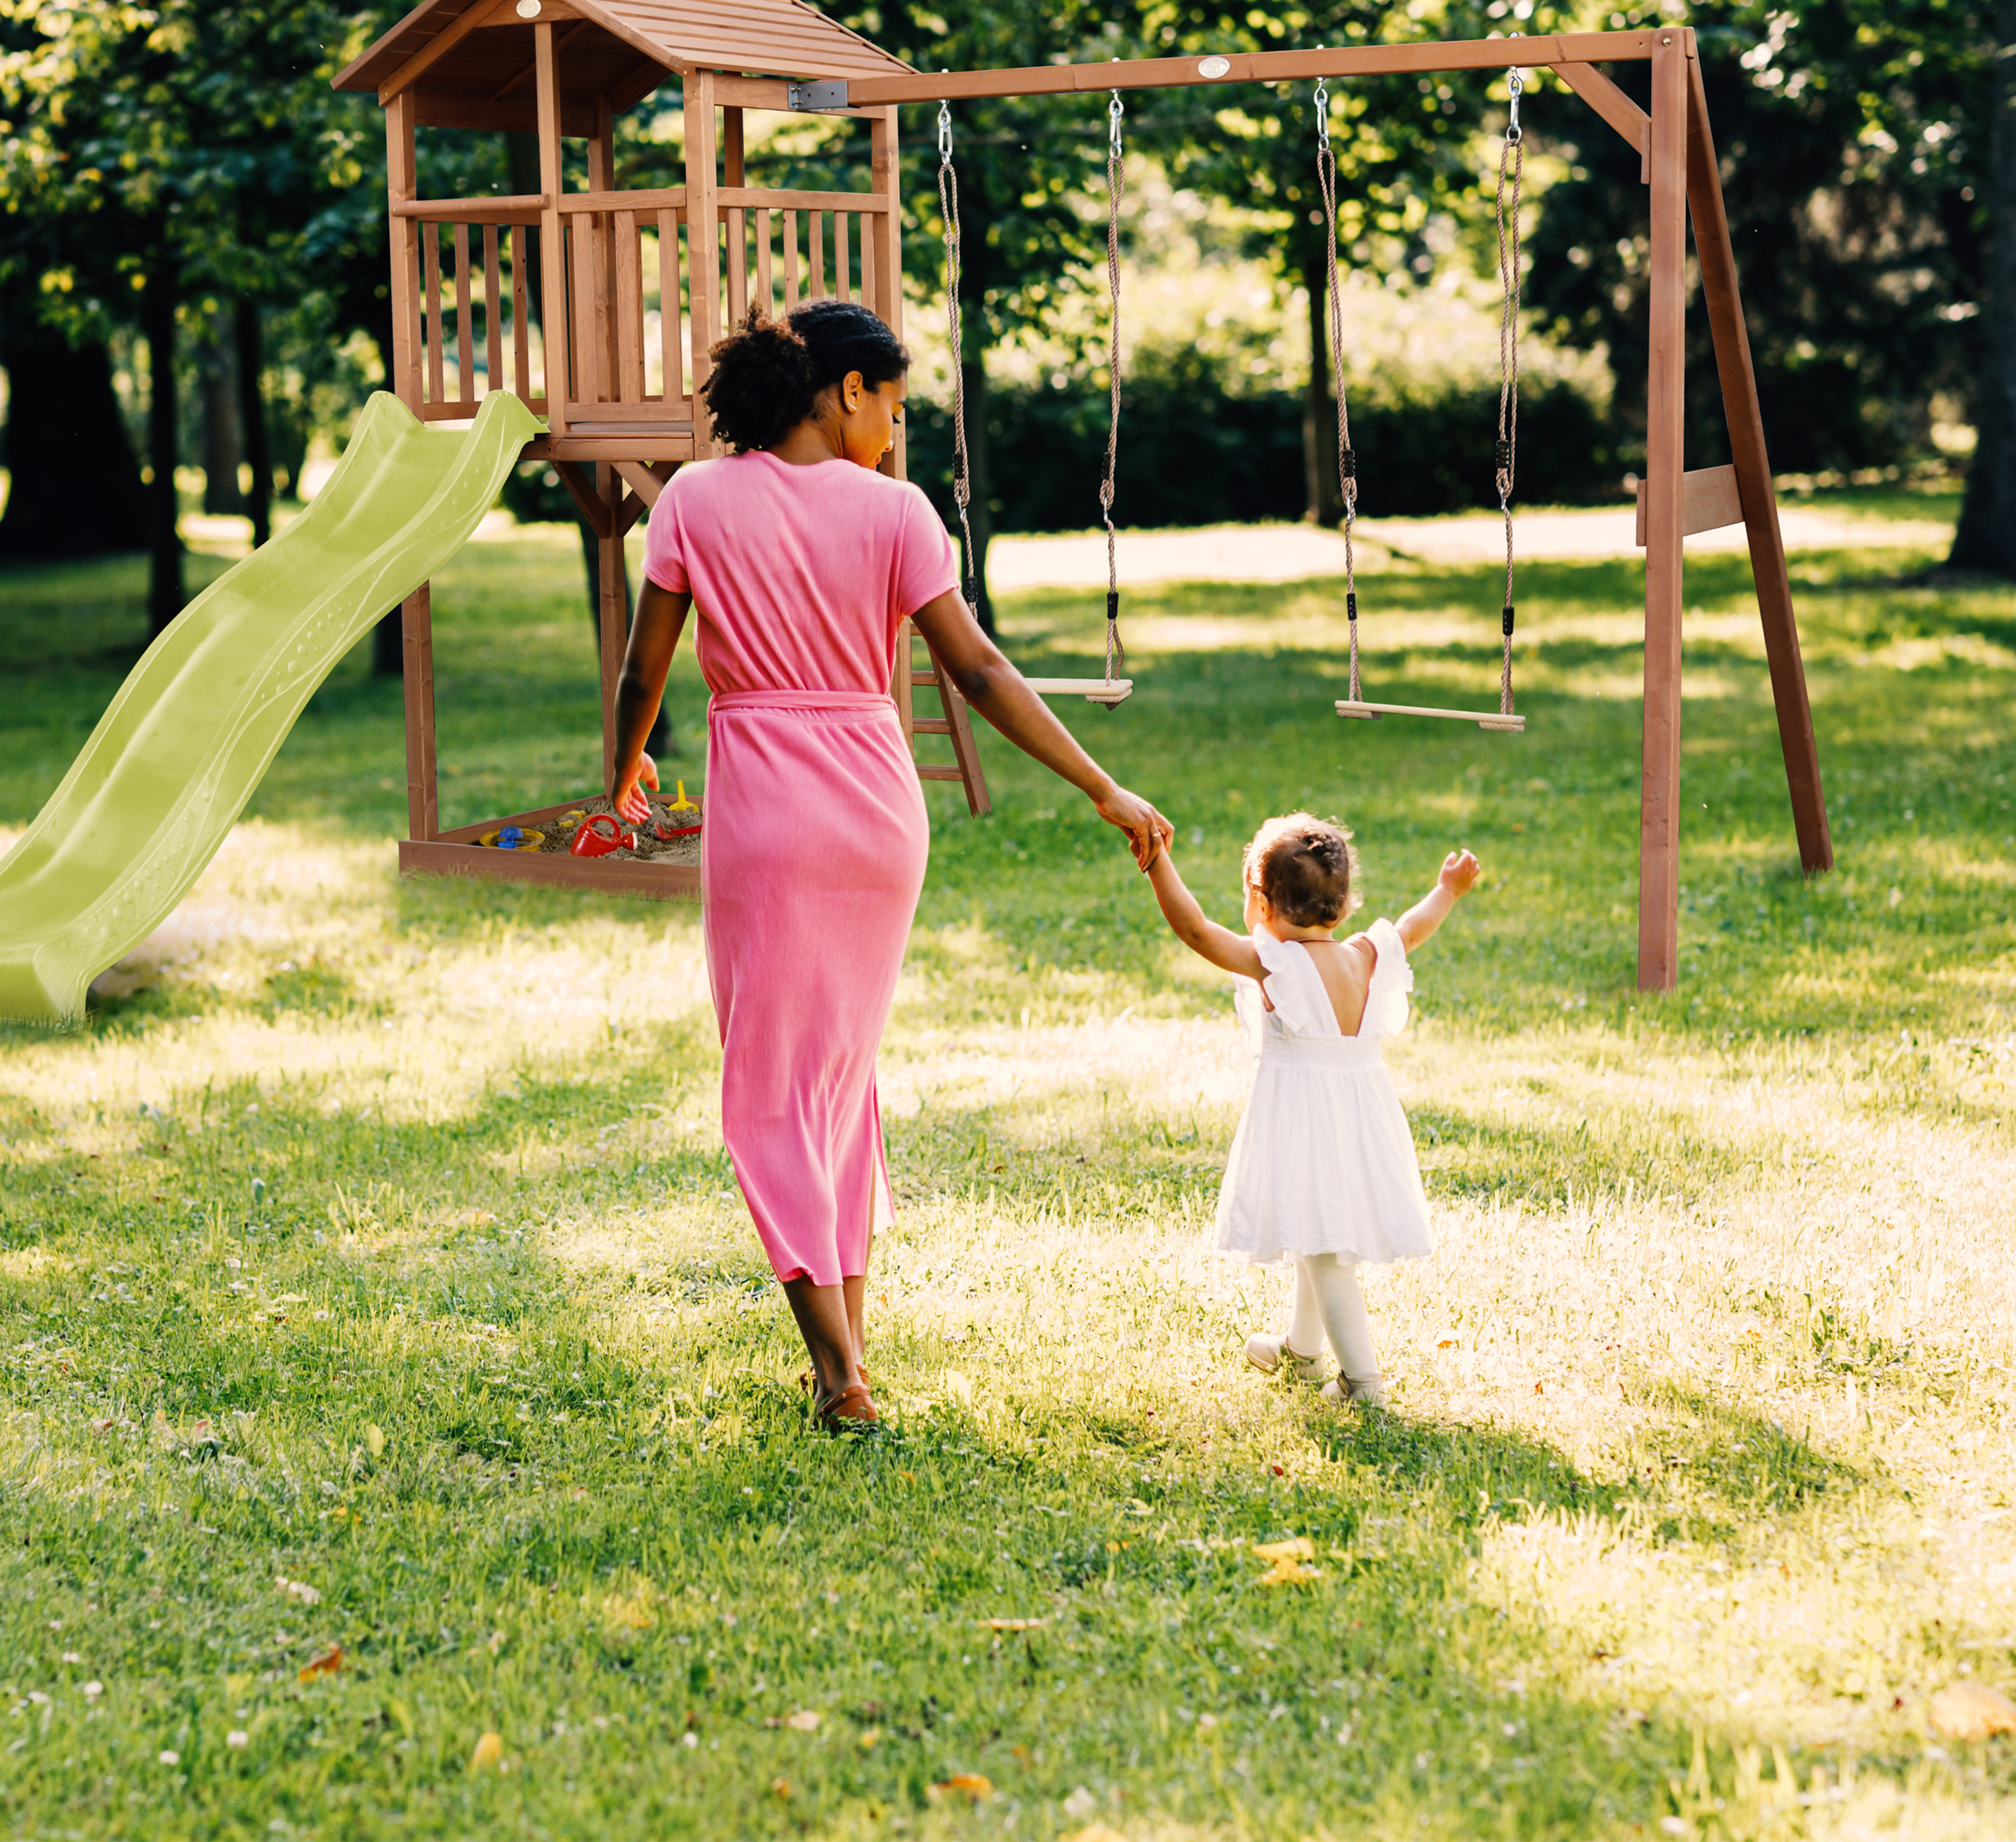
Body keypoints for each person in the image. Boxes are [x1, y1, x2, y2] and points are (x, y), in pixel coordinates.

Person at [608, 300, 1172, 1432]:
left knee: (771, 1090)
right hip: (876, 812)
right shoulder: (898, 514)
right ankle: (849, 1351)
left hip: (767, 812)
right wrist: (1100, 784)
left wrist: (619, 775)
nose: (897, 433)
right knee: (836, 1081)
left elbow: (643, 672)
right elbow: (978, 672)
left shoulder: (694, 501)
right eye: (896, 407)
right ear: (846, 390)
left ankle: (837, 1374)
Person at [1141, 813, 1481, 1407]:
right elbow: (1413, 925)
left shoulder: (1276, 965)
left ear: (1261, 903)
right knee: (1312, 1230)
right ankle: (1301, 1351)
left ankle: (1362, 1383)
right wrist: (1447, 890)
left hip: (1306, 1123)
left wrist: (1156, 861)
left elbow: (1195, 930)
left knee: (1325, 1253)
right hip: (1360, 1120)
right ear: (1344, 906)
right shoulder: (1366, 955)